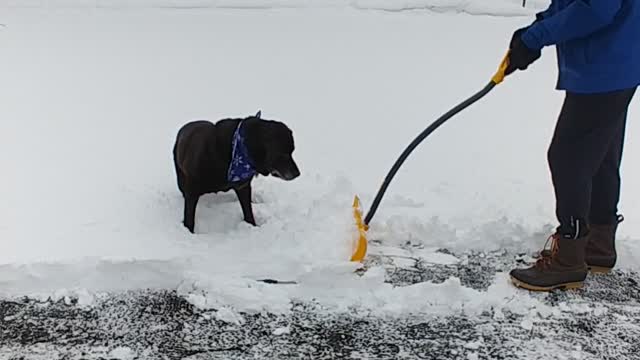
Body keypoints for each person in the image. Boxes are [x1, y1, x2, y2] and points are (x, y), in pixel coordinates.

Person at [506, 0, 640, 291]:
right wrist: (535, 29)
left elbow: (596, 9)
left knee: (568, 158)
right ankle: (597, 245)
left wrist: (536, 38)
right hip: (616, 61)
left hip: (605, 66)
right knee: (599, 155)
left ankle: (568, 260)